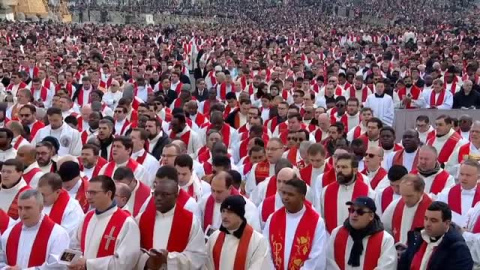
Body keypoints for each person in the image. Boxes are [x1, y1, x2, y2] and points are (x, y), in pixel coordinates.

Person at [136, 177, 207, 270]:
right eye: (155, 194)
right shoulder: (141, 219)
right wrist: (146, 260)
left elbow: (197, 256)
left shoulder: (191, 221)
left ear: (176, 196)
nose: (158, 198)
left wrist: (168, 259)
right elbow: (132, 251)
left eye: (165, 194)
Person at [71, 175, 140, 270]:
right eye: (88, 192)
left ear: (108, 194)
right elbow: (75, 245)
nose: (89, 197)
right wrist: (75, 261)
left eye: (93, 193)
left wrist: (88, 264)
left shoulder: (127, 223)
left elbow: (124, 262)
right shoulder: (87, 217)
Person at [263, 179, 327, 269]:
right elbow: (265, 250)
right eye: (284, 193)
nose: (285, 197)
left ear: (302, 197)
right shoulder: (272, 218)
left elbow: (317, 258)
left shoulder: (316, 222)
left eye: (290, 194)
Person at [0, 190, 70, 269]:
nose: (23, 213)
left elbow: (59, 265)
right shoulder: (8, 233)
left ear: (41, 208)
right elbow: (1, 262)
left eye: (28, 208)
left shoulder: (58, 234)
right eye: (20, 208)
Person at [398, 201, 473, 270]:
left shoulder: (458, 249)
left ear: (447, 223)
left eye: (433, 220)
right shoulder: (417, 238)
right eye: (426, 219)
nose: (427, 224)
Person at [326, 197, 396, 269]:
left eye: (360, 212)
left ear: (371, 216)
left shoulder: (385, 239)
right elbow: (329, 262)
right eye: (352, 210)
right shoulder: (336, 233)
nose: (354, 214)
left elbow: (387, 267)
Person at [205, 195, 268, 269]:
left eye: (230, 212)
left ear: (240, 215)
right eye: (223, 211)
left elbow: (258, 266)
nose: (224, 216)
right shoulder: (214, 237)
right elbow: (206, 265)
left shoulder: (258, 241)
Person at [320, 153, 375, 233]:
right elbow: (322, 218)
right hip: (331, 239)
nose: (339, 170)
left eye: (344, 167)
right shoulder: (326, 191)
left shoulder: (368, 193)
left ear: (355, 170)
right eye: (338, 167)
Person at [382, 174, 432, 245]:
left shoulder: (432, 209)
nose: (405, 200)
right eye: (402, 195)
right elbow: (385, 229)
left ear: (421, 192)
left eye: (409, 196)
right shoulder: (395, 205)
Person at [37, 172, 84, 237]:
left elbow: (66, 234)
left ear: (57, 192)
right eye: (39, 194)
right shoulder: (35, 202)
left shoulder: (72, 208)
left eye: (44, 195)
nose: (41, 198)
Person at [437, 160, 480, 227]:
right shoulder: (447, 194)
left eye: (468, 175)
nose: (464, 178)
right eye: (461, 174)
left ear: (478, 177)